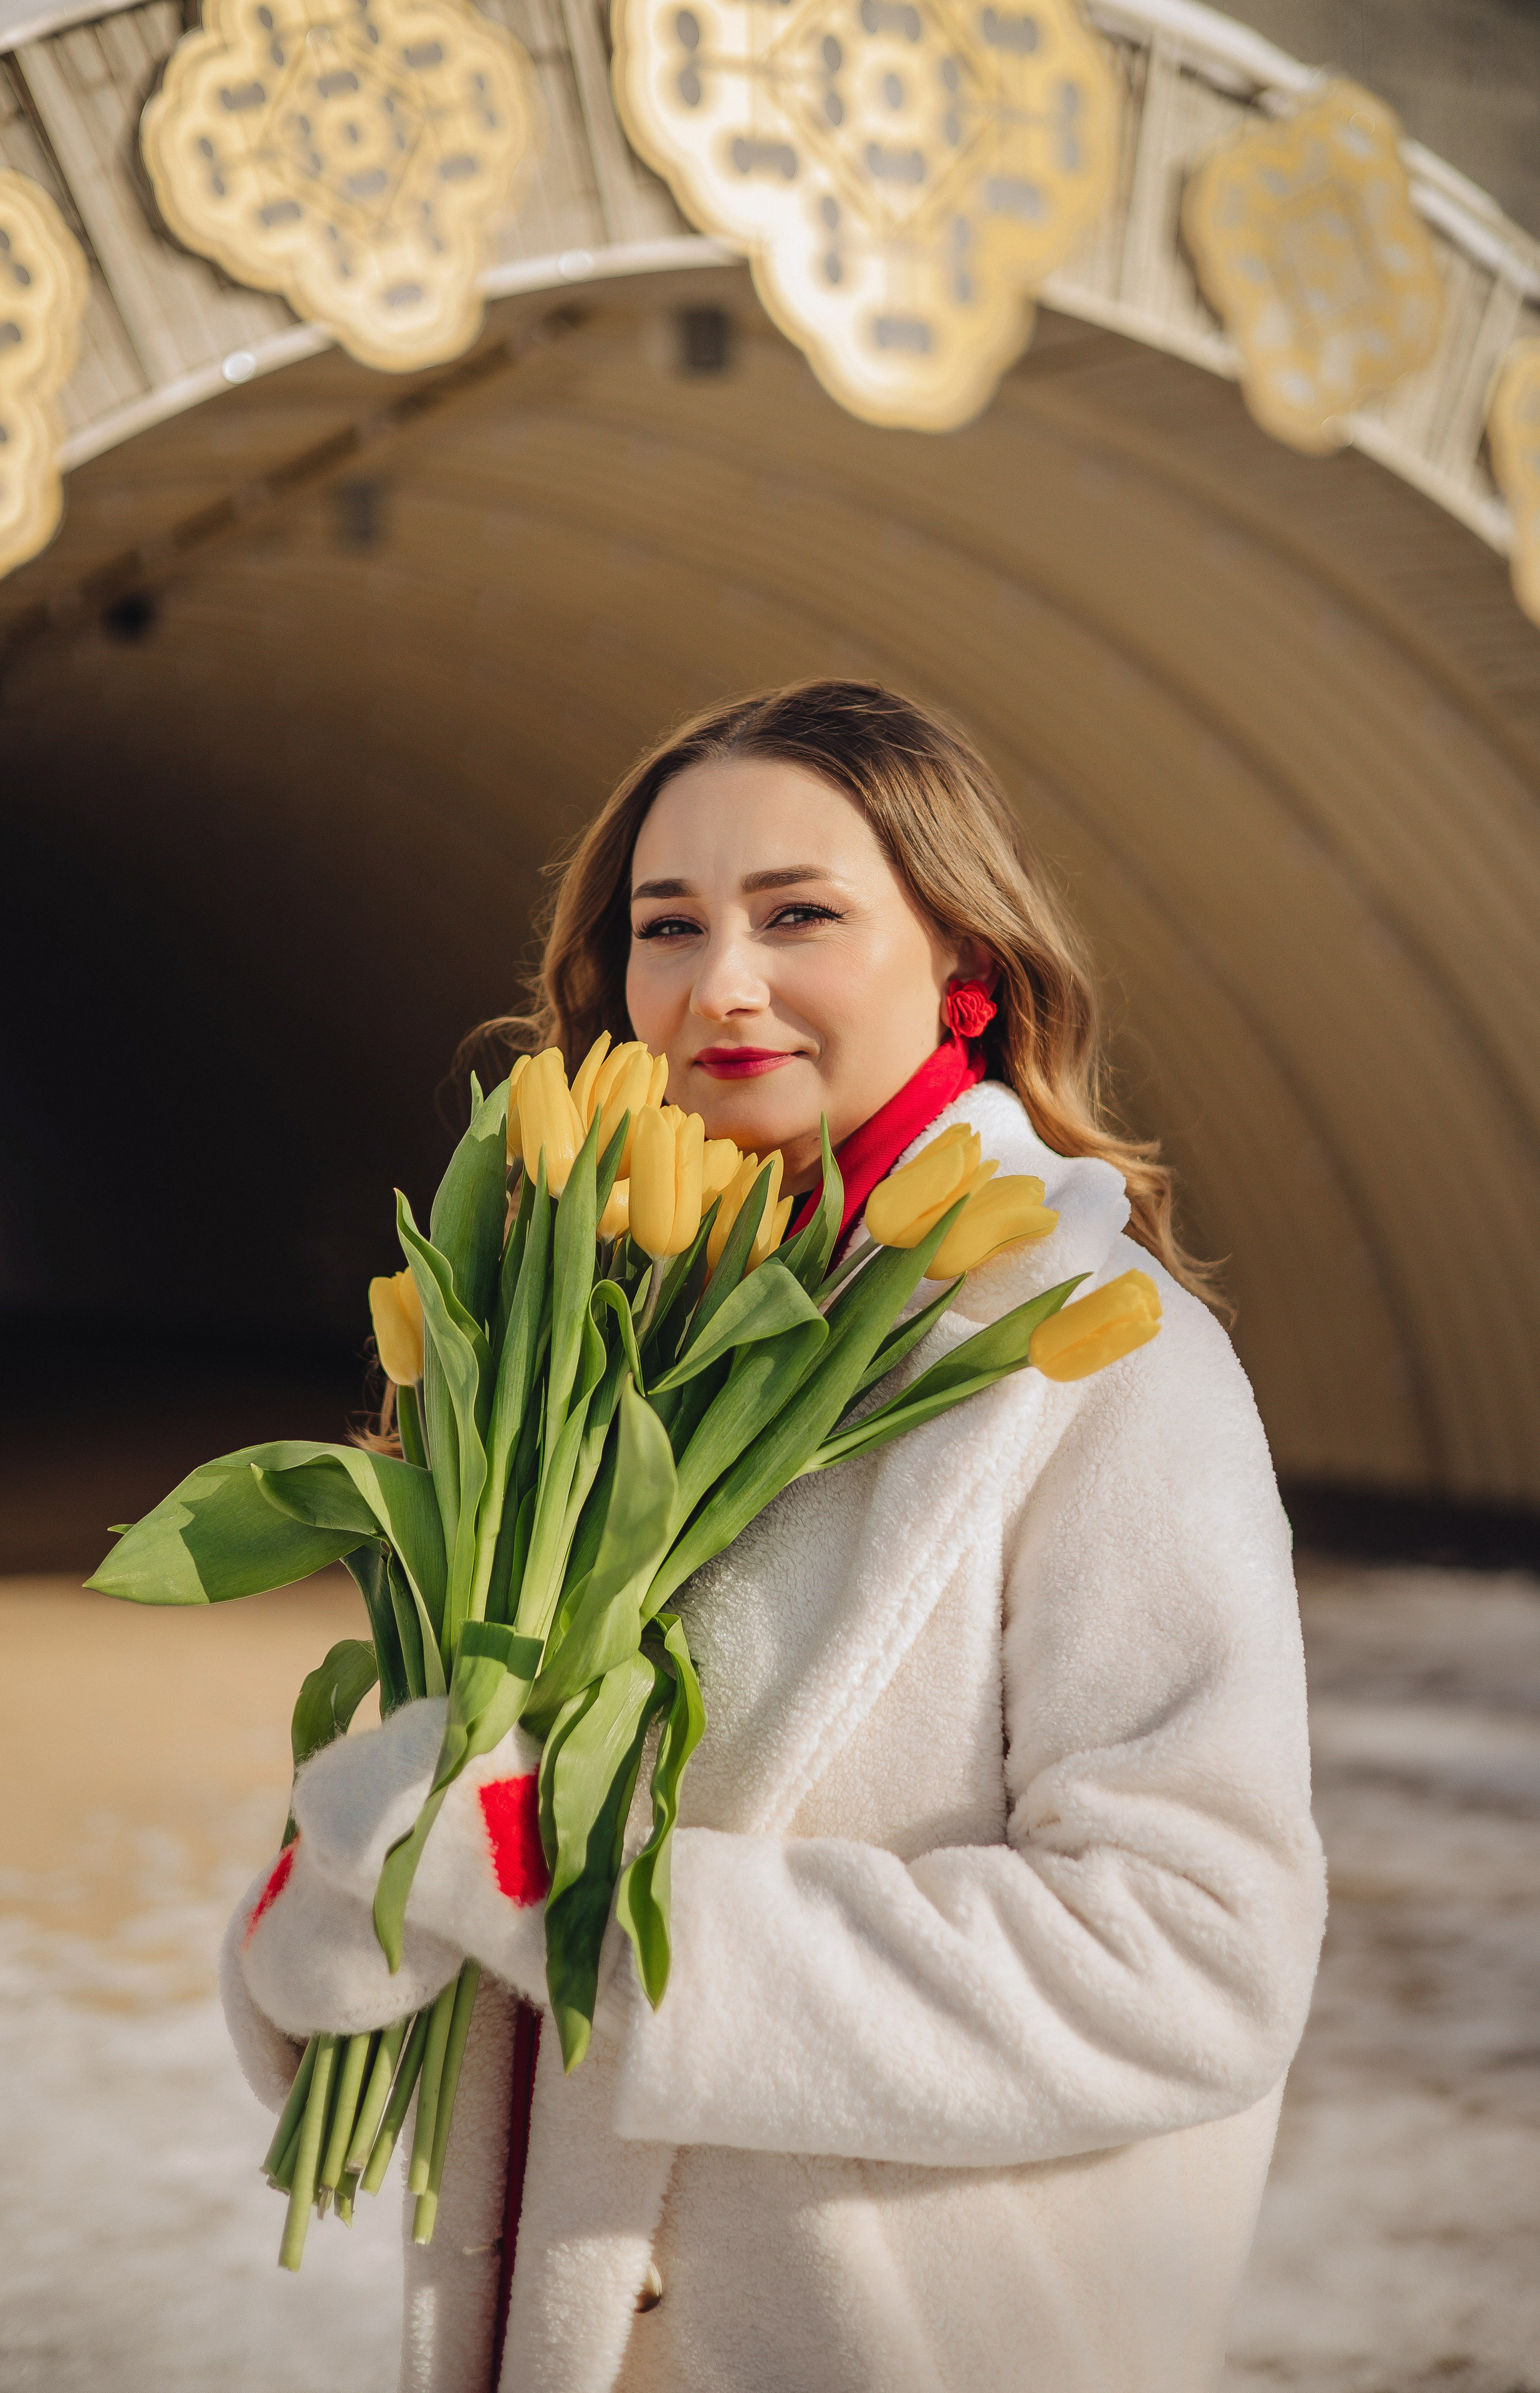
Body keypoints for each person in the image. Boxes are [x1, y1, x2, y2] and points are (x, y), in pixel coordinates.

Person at [223, 679, 1326, 2393]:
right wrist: (342, 1905)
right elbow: (488, 1891)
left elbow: (1190, 1955)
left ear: (967, 962)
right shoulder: (584, 1346)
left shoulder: (1093, 1368)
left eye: (797, 913)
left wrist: (562, 1885)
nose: (720, 984)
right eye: (669, 927)